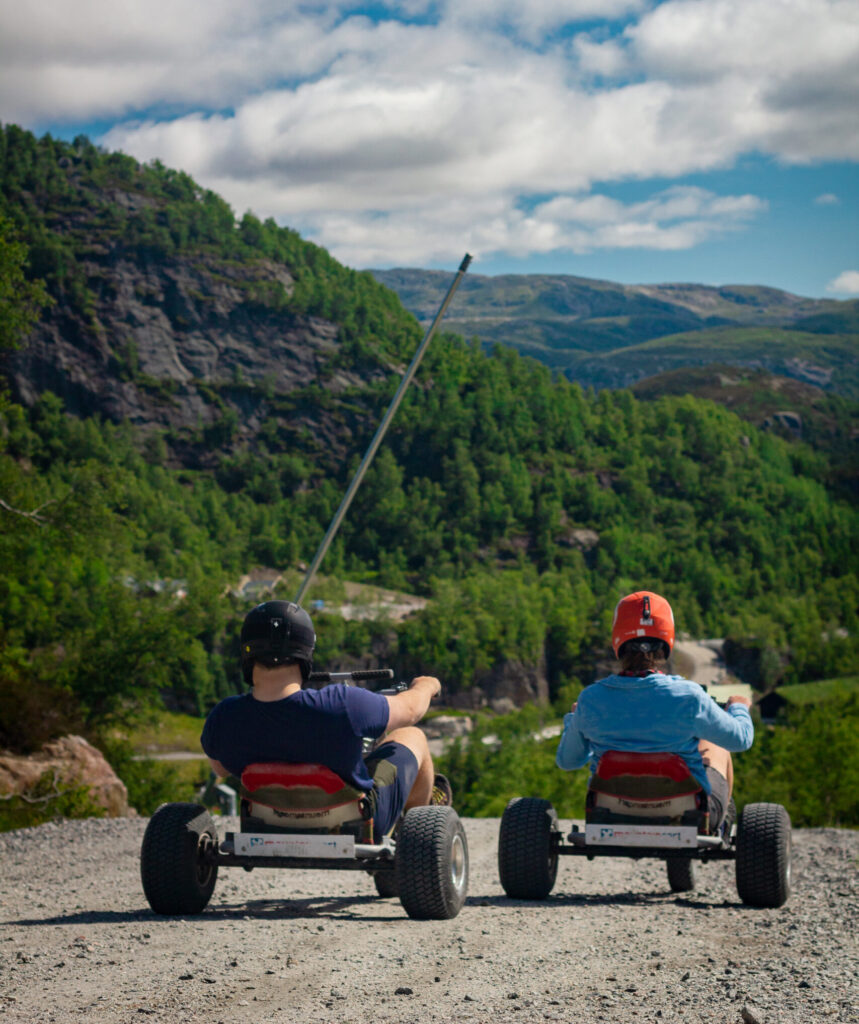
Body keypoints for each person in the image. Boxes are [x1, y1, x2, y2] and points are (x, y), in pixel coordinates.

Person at [201, 600, 451, 841]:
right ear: (306, 653)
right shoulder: (343, 703)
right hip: (357, 825)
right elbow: (410, 709)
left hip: (265, 821)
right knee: (411, 735)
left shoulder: (225, 716)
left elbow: (220, 769)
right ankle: (419, 832)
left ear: (247, 652)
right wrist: (426, 685)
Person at [555, 591, 753, 830]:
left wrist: (575, 719)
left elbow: (568, 761)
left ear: (618, 640)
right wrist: (739, 707)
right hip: (686, 816)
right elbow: (741, 740)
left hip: (610, 813)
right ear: (667, 640)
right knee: (717, 746)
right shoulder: (690, 696)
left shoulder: (590, 699)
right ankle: (717, 828)